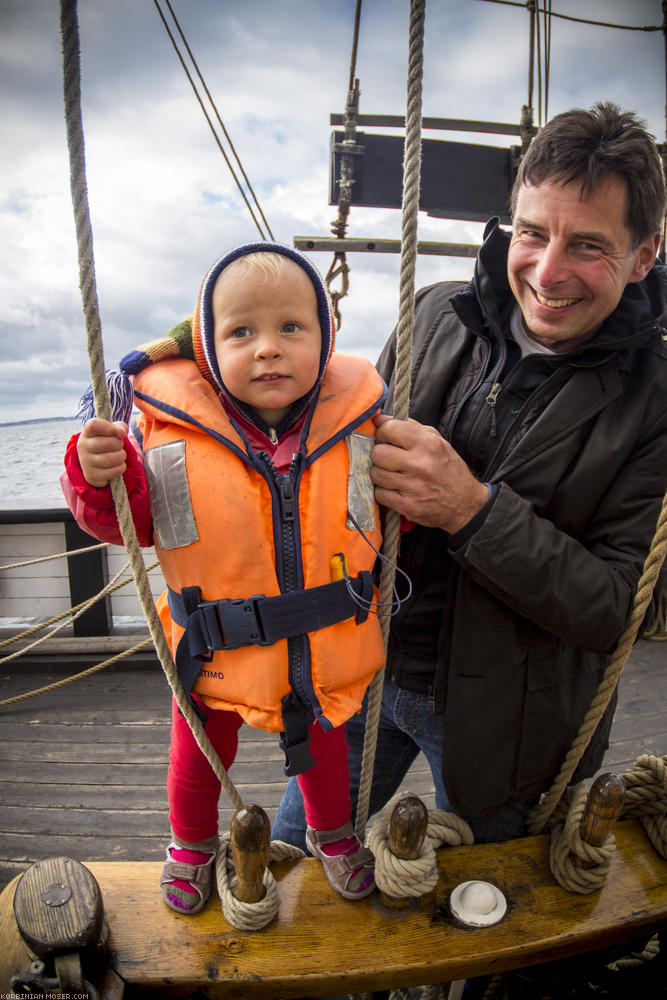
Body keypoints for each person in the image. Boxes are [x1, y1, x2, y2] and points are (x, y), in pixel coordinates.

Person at [272, 101, 667, 852]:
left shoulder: (655, 401)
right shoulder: (432, 314)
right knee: (294, 872)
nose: (547, 273)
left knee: (493, 916)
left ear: (643, 254)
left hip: (509, 728)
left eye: (587, 245)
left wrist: (471, 510)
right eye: (531, 233)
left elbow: (621, 610)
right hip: (362, 678)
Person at [61, 243, 389, 912]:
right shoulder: (163, 432)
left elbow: (386, 510)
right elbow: (125, 521)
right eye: (242, 332)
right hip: (212, 647)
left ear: (324, 340)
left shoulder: (362, 421)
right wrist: (95, 472)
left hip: (322, 644)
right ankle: (188, 844)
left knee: (325, 750)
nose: (267, 348)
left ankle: (331, 834)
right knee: (196, 757)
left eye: (290, 328)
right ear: (208, 351)